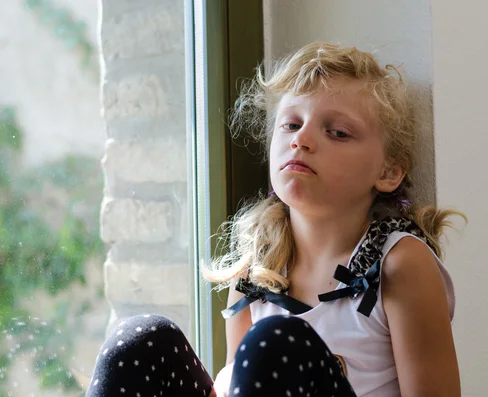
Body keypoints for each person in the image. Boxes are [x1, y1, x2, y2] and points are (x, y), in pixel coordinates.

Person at [86, 42, 465, 397]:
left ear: (388, 172)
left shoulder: (400, 265)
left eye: (337, 132)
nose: (302, 140)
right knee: (142, 342)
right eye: (290, 124)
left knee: (276, 341)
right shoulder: (257, 266)